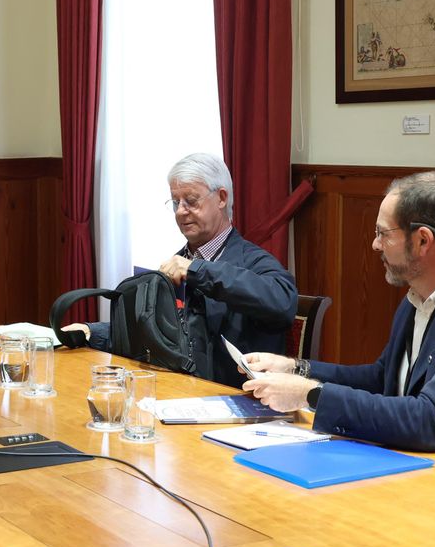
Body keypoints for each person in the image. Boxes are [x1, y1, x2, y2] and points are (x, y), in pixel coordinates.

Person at [243, 171, 435, 469]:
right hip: (416, 466)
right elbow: (383, 379)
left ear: (422, 241)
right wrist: (296, 368)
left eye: (383, 233)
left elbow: (431, 420)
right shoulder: (417, 296)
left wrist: (310, 395)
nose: (375, 245)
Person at [66, 153, 297, 387]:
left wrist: (198, 270)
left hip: (236, 399)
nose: (180, 211)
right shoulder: (178, 262)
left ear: (221, 198)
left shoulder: (252, 260)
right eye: (176, 202)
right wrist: (92, 332)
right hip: (175, 393)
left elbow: (284, 301)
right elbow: (152, 332)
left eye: (191, 201)